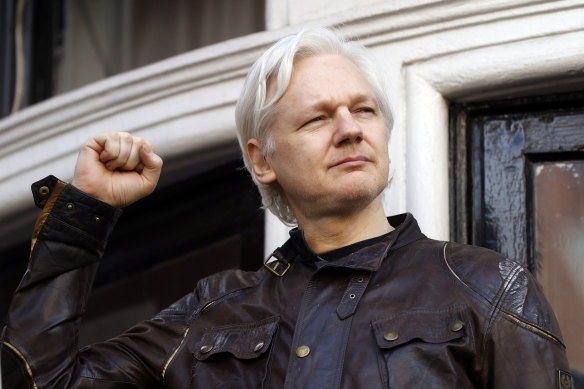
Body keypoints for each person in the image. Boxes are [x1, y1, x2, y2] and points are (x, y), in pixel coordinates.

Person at [0, 27, 572, 388]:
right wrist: (84, 212)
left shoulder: (488, 287)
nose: (350, 130)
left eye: (365, 111)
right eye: (318, 117)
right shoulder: (214, 311)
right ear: (263, 159)